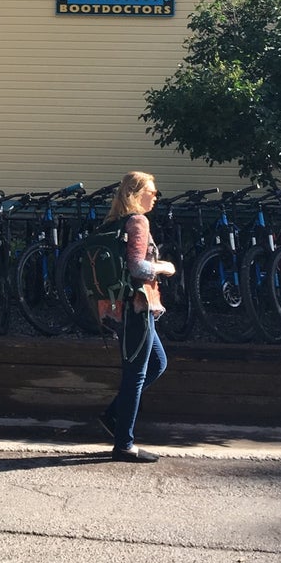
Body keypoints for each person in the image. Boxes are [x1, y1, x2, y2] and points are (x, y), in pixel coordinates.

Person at [97, 171, 175, 463]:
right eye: (152, 192)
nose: (155, 197)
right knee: (136, 374)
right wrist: (165, 267)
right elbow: (137, 268)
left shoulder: (114, 223)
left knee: (157, 363)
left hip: (123, 308)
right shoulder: (138, 221)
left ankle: (112, 415)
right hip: (136, 308)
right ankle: (124, 444)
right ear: (135, 194)